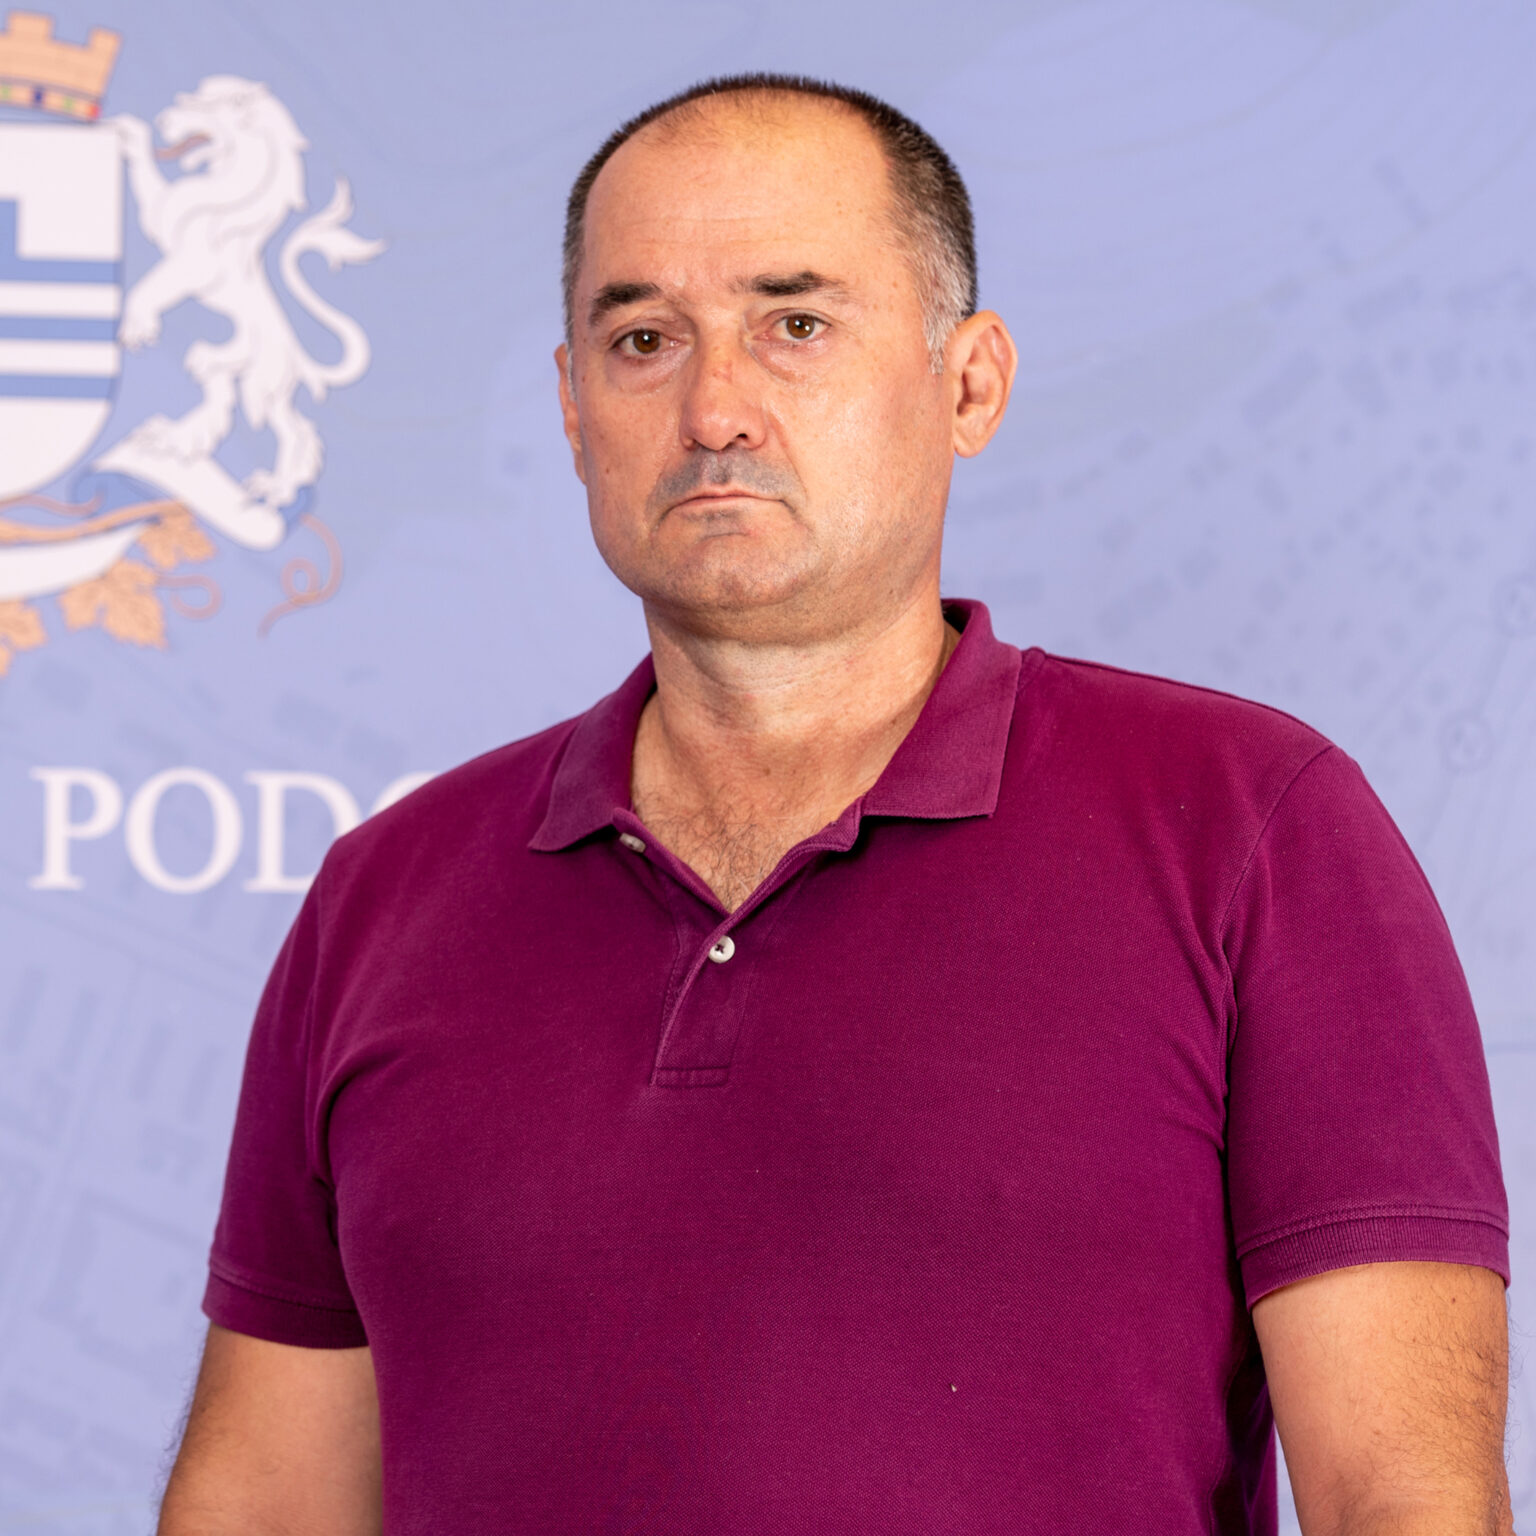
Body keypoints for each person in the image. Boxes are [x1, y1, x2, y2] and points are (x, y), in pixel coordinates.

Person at [155, 75, 1513, 1536]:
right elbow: (263, 1504)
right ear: (571, 407)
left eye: (794, 324)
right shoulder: (386, 894)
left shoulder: (1250, 828)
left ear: (970, 384)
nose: (714, 409)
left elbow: (1404, 1498)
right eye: (642, 340)